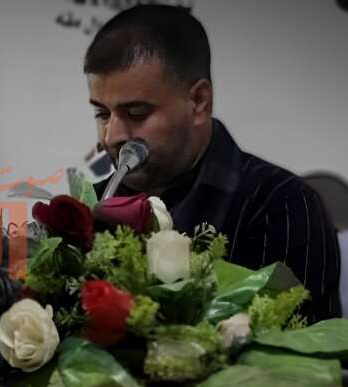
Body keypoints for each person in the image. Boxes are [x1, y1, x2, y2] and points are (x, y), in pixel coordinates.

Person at [87, 5, 340, 322]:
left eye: (136, 113)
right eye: (101, 114)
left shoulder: (284, 207)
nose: (112, 136)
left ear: (198, 102)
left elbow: (302, 348)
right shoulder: (94, 206)